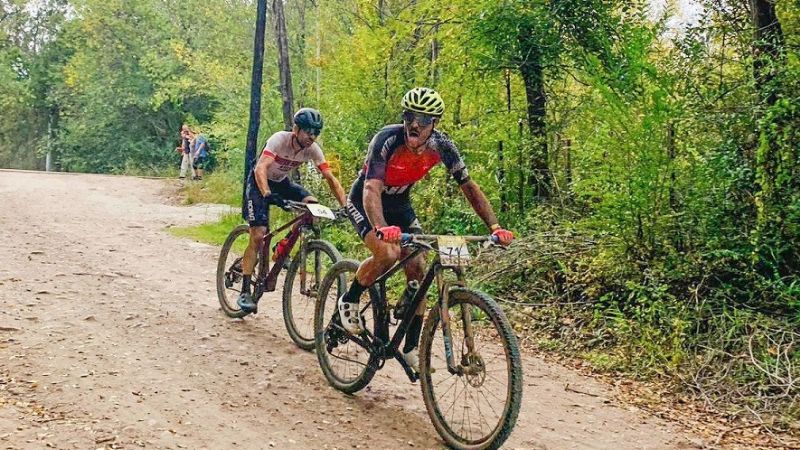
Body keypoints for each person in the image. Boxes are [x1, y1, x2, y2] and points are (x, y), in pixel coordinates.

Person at [341, 87, 514, 372]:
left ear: (434, 124)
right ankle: (350, 299)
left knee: (420, 269)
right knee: (388, 253)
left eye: (423, 118)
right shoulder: (387, 139)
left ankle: (410, 349)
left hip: (400, 204)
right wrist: (382, 228)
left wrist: (495, 226)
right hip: (367, 201)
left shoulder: (442, 146)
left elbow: (469, 187)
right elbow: (371, 188)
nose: (415, 123)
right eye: (410, 116)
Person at [238, 108, 347, 313]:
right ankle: (245, 289)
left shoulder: (313, 149)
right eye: (308, 132)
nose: (311, 137)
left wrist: (346, 206)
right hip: (259, 182)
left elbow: (330, 179)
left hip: (282, 182)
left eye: (316, 133)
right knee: (258, 234)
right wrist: (268, 194)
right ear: (296, 129)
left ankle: (283, 246)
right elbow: (261, 168)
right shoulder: (279, 139)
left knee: (313, 206)